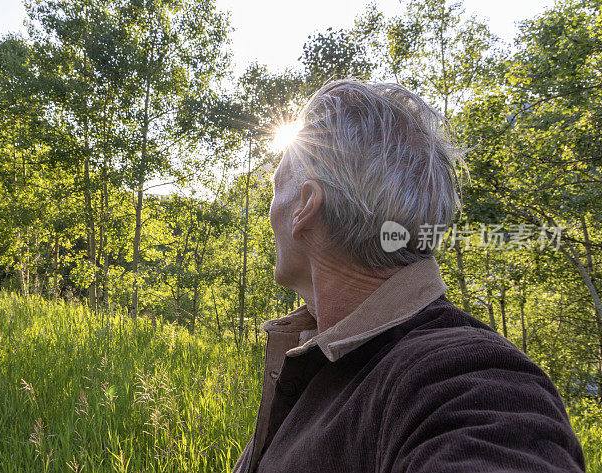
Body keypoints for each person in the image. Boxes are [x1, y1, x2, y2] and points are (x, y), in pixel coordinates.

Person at [233, 80, 585, 472]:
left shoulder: (468, 379)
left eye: (275, 186)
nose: (270, 210)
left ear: (305, 207)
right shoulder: (324, 355)